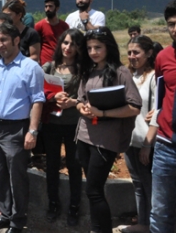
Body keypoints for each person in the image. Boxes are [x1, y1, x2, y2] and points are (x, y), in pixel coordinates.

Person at [0, 22, 45, 233]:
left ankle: (17, 221)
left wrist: (32, 131)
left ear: (17, 40)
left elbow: (37, 100)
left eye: (4, 40)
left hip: (16, 130)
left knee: (16, 178)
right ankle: (5, 214)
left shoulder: (30, 68)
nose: (0, 45)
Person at [75, 27, 141, 233]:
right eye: (89, 48)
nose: (93, 52)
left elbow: (134, 107)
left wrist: (103, 114)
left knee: (94, 190)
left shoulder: (120, 73)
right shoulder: (88, 71)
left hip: (105, 141)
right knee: (92, 189)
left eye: (98, 47)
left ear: (108, 47)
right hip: (85, 135)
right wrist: (83, 108)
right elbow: (80, 100)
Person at [40, 29, 83, 225]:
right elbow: (37, 90)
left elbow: (88, 95)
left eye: (73, 44)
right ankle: (53, 203)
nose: (68, 47)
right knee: (52, 165)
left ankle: (74, 207)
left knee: (75, 167)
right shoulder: (49, 67)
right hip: (52, 124)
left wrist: (73, 101)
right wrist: (52, 96)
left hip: (74, 124)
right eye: (65, 43)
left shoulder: (83, 69)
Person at [119, 35, 158, 233]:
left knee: (150, 186)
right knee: (138, 184)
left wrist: (147, 145)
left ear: (149, 53)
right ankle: (143, 223)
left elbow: (157, 112)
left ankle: (155, 224)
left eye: (137, 52)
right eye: (130, 52)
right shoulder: (129, 76)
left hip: (145, 142)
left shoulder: (153, 78)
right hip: (129, 141)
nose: (132, 56)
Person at [150, 0, 176, 233]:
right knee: (160, 212)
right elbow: (161, 92)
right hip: (166, 145)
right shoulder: (163, 57)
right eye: (171, 24)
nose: (175, 29)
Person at [35, 0, 70, 65]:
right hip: (44, 61)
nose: (47, 9)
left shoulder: (64, 26)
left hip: (60, 61)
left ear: (57, 8)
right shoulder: (39, 25)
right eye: (46, 6)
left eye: (50, 6)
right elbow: (36, 44)